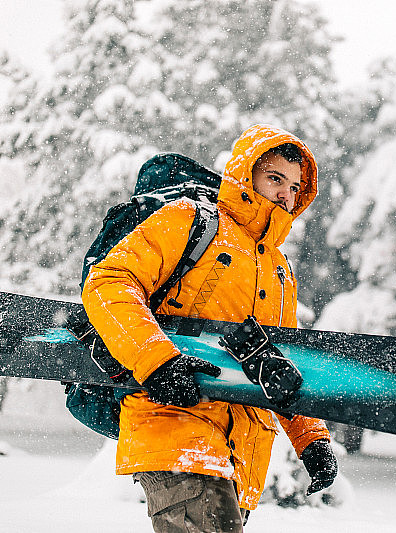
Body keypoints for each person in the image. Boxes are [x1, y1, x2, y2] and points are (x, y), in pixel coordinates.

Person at [82, 124, 337, 532]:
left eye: (294, 186)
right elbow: (109, 281)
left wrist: (310, 438)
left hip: (242, 456)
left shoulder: (279, 271)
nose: (286, 195)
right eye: (275, 178)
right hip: (176, 426)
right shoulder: (190, 221)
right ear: (245, 174)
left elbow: (280, 363)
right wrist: (157, 362)